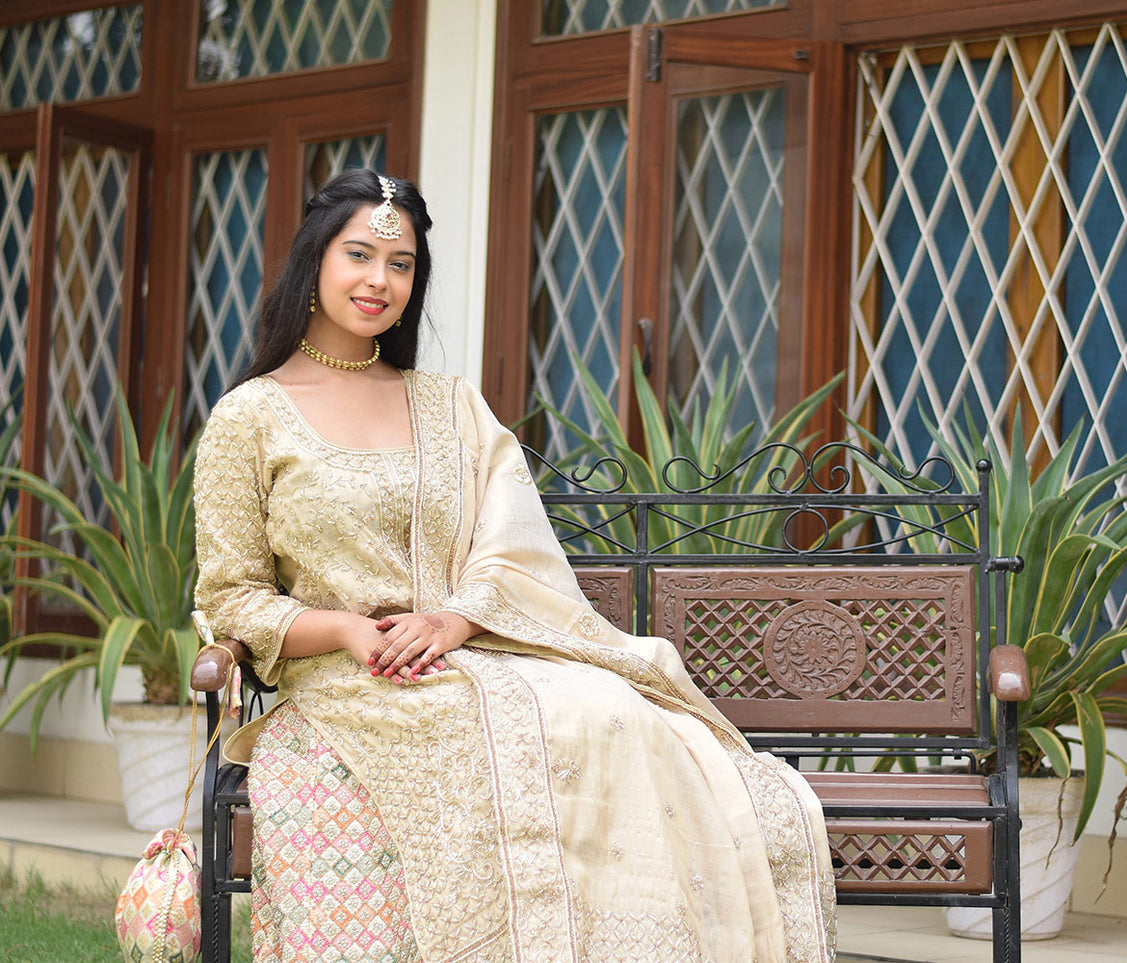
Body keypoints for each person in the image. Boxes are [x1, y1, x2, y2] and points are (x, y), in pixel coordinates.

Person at [193, 169, 836, 962]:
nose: (379, 280)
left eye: (401, 264)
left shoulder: (449, 404)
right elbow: (233, 596)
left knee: (610, 710)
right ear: (314, 260)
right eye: (359, 254)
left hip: (471, 652)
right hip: (349, 681)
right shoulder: (249, 416)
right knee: (505, 738)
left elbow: (512, 538)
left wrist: (455, 618)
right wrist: (349, 631)